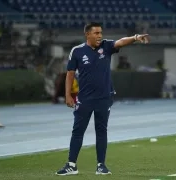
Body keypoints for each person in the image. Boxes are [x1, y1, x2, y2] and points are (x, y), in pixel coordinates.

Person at [56, 22, 149, 176]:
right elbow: (70, 73)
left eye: (101, 33)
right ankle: (71, 165)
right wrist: (67, 95)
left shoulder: (106, 47)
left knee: (101, 131)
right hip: (84, 99)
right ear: (87, 34)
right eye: (96, 33)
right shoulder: (77, 51)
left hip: (104, 98)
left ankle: (101, 165)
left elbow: (120, 42)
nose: (100, 36)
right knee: (78, 131)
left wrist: (135, 37)